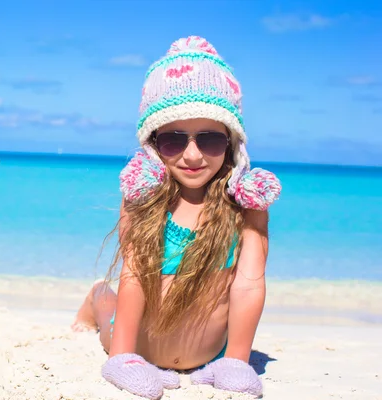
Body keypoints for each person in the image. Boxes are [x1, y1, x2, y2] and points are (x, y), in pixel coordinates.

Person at [71, 36, 281, 399]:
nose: (193, 155)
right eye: (174, 140)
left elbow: (248, 284)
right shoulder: (144, 198)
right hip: (138, 343)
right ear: (153, 142)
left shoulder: (245, 205)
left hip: (209, 356)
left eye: (210, 139)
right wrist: (123, 356)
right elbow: (135, 273)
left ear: (232, 142)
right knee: (109, 304)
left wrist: (237, 360)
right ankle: (95, 299)